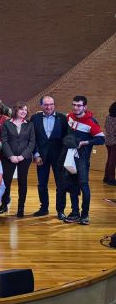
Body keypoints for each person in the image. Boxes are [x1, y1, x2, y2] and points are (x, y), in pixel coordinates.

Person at [62, 96, 105, 225]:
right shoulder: (69, 117)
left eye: (79, 105)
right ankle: (75, 213)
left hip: (82, 159)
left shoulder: (91, 122)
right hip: (70, 157)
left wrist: (85, 142)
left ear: (85, 107)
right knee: (72, 186)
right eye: (74, 105)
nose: (76, 107)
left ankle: (85, 215)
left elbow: (101, 139)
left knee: (83, 185)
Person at [30, 95, 69, 217]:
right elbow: (32, 138)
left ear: (54, 105)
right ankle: (44, 208)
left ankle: (60, 210)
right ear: (41, 105)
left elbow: (66, 137)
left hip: (59, 157)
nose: (49, 107)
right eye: (46, 104)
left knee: (60, 184)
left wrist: (65, 156)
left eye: (51, 104)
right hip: (41, 157)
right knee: (42, 184)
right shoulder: (35, 118)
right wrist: (36, 154)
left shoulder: (62, 118)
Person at [0, 102, 36, 217]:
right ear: (16, 110)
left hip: (25, 158)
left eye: (25, 110)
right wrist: (11, 156)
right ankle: (4, 204)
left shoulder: (29, 124)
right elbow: (4, 141)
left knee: (22, 182)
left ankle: (21, 208)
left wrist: (22, 156)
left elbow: (32, 142)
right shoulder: (7, 124)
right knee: (6, 181)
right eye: (21, 109)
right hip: (8, 157)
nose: (24, 111)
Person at [104, 101, 116, 186]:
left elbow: (106, 128)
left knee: (109, 159)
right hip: (114, 141)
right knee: (112, 160)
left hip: (108, 140)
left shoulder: (108, 117)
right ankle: (111, 179)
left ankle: (106, 177)